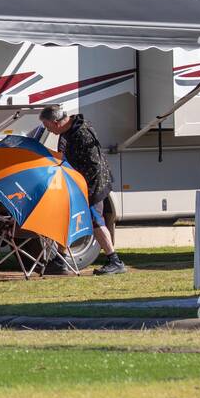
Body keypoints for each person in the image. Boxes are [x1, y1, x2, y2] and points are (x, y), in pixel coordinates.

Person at [39, 105, 125, 275]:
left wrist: (83, 189)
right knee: (67, 217)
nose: (47, 129)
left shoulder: (82, 133)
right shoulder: (67, 131)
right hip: (77, 183)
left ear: (56, 122)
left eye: (47, 125)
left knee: (95, 220)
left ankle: (115, 261)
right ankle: (60, 259)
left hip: (92, 184)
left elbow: (94, 166)